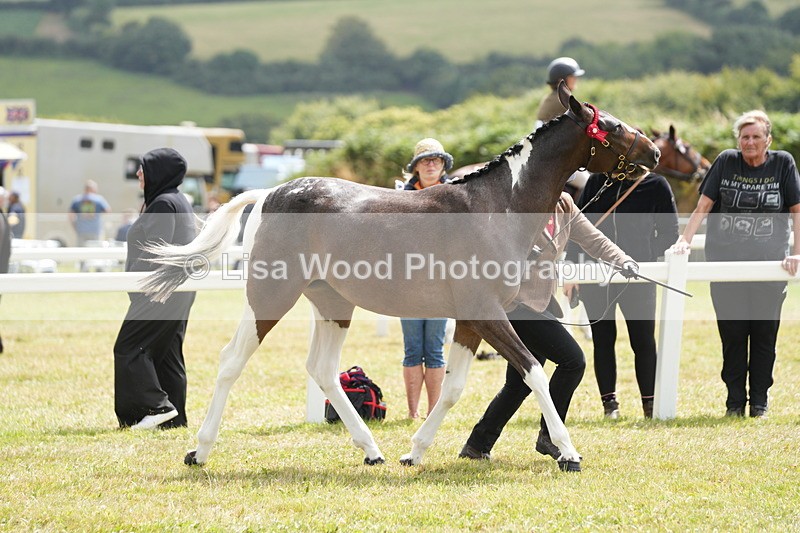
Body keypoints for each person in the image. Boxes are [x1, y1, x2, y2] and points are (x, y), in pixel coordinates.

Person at [460, 191, 639, 463]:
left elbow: (594, 240)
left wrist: (622, 260)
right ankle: (549, 436)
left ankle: (476, 445)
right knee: (573, 361)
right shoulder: (518, 204)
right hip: (515, 303)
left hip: (540, 303)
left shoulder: (565, 204)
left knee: (518, 383)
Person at [671, 110, 800, 418]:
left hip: (769, 267)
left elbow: (796, 210)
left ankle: (759, 403)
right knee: (732, 336)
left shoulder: (782, 163)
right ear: (738, 140)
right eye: (745, 137)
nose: (750, 142)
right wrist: (684, 240)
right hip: (726, 264)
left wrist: (796, 252)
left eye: (756, 136)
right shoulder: (727, 161)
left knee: (764, 335)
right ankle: (734, 403)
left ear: (767, 139)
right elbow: (704, 205)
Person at [565, 172, 679, 419]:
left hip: (636, 277)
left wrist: (642, 257)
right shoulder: (597, 181)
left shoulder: (656, 184)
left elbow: (670, 233)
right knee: (603, 340)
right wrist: (572, 270)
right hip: (597, 275)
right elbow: (578, 225)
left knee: (643, 341)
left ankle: (649, 405)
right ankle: (610, 405)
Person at [113, 148, 198, 429]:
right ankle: (174, 419)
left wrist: (139, 287)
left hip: (159, 292)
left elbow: (156, 253)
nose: (138, 173)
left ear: (157, 173)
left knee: (128, 348)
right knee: (166, 355)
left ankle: (154, 407)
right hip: (176, 291)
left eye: (143, 168)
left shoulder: (163, 203)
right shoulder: (177, 200)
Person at [399, 138, 454, 418]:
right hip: (407, 283)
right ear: (416, 167)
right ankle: (412, 412)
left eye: (436, 159)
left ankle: (433, 412)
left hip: (441, 284)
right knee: (412, 349)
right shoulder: (400, 198)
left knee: (433, 348)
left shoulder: (454, 194)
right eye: (425, 159)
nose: (431, 164)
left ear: (443, 164)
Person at [534, 57, 585, 130]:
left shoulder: (553, 96)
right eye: (572, 76)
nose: (575, 79)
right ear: (561, 81)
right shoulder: (562, 99)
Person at [69, 179, 111, 245]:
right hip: (96, 230)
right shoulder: (99, 199)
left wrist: (75, 226)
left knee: (81, 253)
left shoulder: (77, 199)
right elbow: (108, 210)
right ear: (94, 189)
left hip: (81, 230)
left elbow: (70, 215)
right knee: (96, 252)